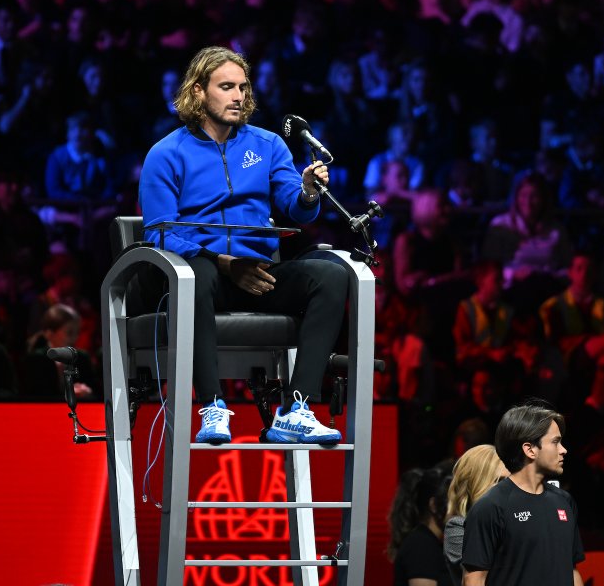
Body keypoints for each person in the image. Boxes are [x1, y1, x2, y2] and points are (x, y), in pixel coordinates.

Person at [138, 46, 347, 444]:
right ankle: (213, 406)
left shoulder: (267, 145)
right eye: (227, 87)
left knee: (332, 276)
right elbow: (160, 232)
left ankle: (296, 408)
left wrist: (305, 192)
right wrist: (223, 262)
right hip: (203, 274)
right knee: (193, 276)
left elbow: (295, 207)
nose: (238, 96)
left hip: (257, 273)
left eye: (243, 87)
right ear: (199, 92)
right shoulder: (166, 154)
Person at [461, 402, 584, 585]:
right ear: (530, 449)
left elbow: (572, 571)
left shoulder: (564, 501)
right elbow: (474, 579)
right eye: (555, 442)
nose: (563, 450)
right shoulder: (491, 507)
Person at [444, 444, 508, 586]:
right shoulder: (457, 527)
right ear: (476, 483)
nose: (507, 488)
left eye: (509, 481)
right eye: (498, 481)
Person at [388, 465, 453, 586]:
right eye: (452, 503)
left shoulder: (431, 543)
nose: (458, 510)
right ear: (434, 505)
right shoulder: (421, 546)